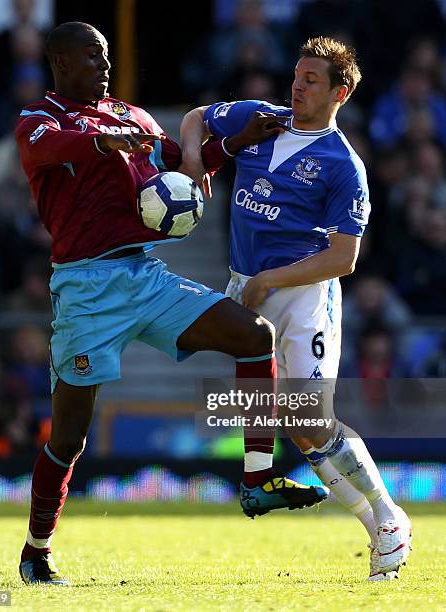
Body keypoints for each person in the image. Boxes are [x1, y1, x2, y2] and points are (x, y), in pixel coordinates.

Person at [14, 22, 327, 586]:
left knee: (256, 336)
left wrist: (237, 141)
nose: (104, 66)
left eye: (106, 55)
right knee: (69, 438)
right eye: (91, 57)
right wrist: (104, 143)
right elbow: (52, 149)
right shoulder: (40, 120)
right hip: (86, 290)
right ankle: (37, 548)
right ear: (61, 63)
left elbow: (188, 164)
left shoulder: (131, 116)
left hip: (146, 274)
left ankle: (257, 478)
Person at [180, 36, 411, 581]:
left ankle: (386, 518)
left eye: (312, 80)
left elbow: (344, 257)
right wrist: (194, 161)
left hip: (304, 297)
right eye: (297, 75)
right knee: (292, 423)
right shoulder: (261, 119)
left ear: (341, 92)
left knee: (311, 420)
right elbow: (195, 118)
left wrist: (269, 281)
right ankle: (381, 522)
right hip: (248, 286)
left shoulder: (343, 165)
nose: (298, 86)